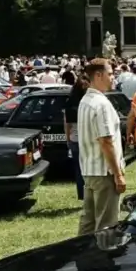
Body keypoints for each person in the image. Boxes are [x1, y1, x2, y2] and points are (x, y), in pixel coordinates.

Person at [77, 58, 126, 235]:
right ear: (98, 75)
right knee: (106, 224)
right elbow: (106, 141)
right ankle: (101, 260)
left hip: (89, 170)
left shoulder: (85, 100)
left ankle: (81, 257)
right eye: (111, 74)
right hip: (105, 172)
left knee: (88, 223)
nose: (113, 77)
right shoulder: (101, 104)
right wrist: (118, 175)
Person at [64, 73, 89, 201]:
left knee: (79, 170)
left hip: (75, 139)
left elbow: (67, 125)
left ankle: (82, 195)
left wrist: (68, 139)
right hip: (88, 140)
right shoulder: (88, 102)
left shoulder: (70, 103)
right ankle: (91, 194)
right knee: (90, 168)